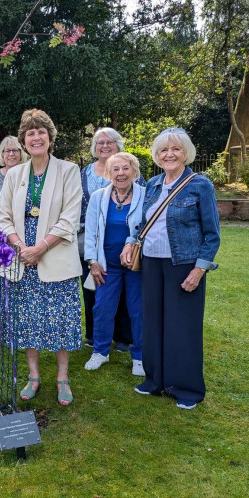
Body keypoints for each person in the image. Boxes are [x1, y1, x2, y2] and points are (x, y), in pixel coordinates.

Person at [122, 127, 220, 410]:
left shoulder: (200, 185)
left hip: (183, 265)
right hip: (151, 263)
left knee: (182, 328)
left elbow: (212, 234)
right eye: (164, 150)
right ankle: (155, 381)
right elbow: (141, 224)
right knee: (153, 324)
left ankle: (186, 389)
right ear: (156, 154)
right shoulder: (152, 184)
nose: (169, 154)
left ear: (185, 153)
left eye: (175, 149)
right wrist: (131, 243)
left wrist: (199, 269)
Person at [0, 109, 83, 406]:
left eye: (41, 132)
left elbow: (70, 218)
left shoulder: (69, 171)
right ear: (23, 140)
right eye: (30, 133)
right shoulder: (15, 174)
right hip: (22, 258)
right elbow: (2, 215)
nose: (36, 137)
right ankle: (33, 376)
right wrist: (21, 246)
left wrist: (40, 247)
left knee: (60, 320)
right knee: (27, 320)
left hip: (54, 255)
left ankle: (62, 378)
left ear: (50, 137)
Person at [83, 152, 146, 377]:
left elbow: (147, 229)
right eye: (116, 169)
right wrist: (92, 262)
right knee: (102, 307)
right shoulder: (99, 197)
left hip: (135, 264)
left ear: (134, 171)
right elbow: (90, 232)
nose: (121, 173)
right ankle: (100, 351)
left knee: (138, 310)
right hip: (106, 263)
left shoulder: (145, 196)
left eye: (126, 168)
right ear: (109, 173)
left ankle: (139, 355)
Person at [0, 135, 28, 234]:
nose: (11, 154)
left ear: (21, 153)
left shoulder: (28, 175)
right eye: (7, 151)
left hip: (23, 233)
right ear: (2, 154)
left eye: (15, 150)